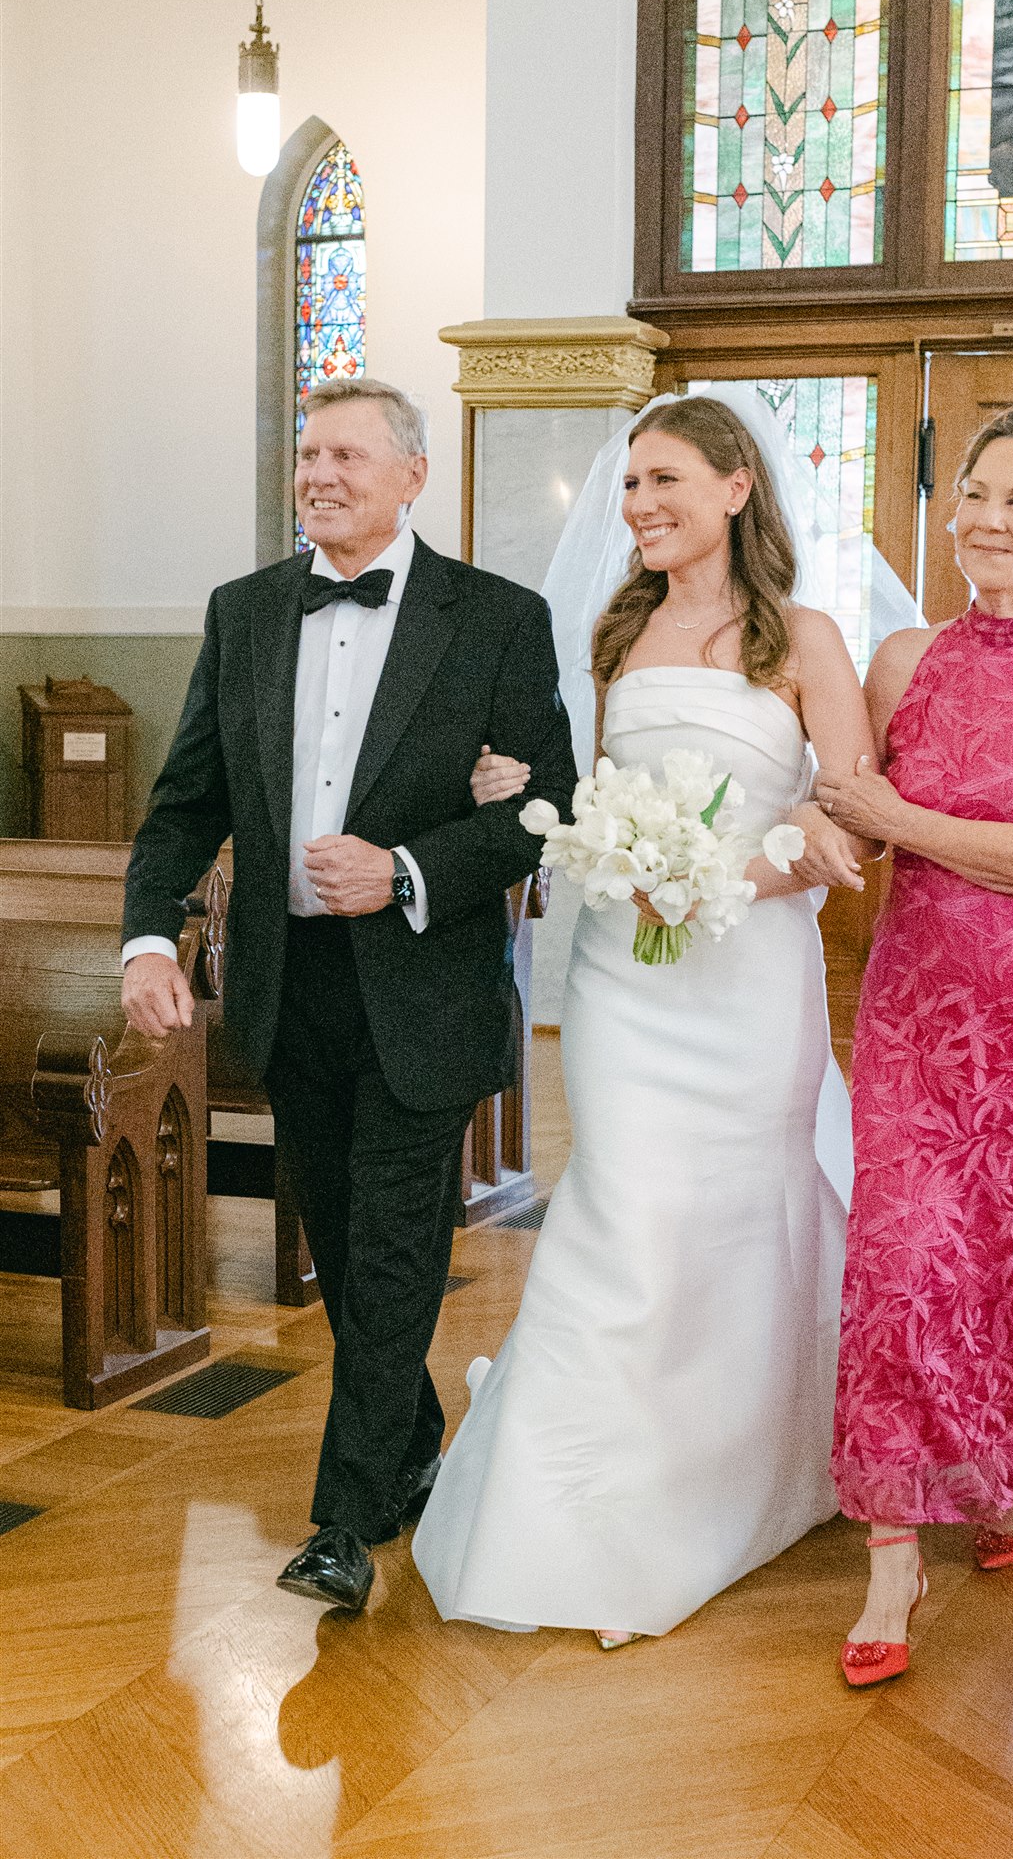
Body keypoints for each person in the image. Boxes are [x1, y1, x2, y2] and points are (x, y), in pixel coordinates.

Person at [411, 388, 917, 1646]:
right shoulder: (612, 629)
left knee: (745, 1209)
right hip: (625, 984)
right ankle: (588, 1503)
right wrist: (521, 790)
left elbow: (849, 804)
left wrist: (732, 873)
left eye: (663, 480)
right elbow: (581, 789)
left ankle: (754, 1466)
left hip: (750, 979)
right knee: (627, 1205)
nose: (637, 505)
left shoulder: (801, 637)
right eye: (629, 484)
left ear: (735, 487)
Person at [121, 376, 576, 1613]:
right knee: (340, 1237)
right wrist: (148, 942)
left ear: (413, 473)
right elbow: (185, 803)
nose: (321, 475)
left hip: (421, 987)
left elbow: (548, 812)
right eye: (309, 455)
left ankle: (345, 1519)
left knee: (391, 1243)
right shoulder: (247, 610)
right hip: (286, 988)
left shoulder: (495, 618)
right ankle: (415, 1437)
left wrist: (409, 866)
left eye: (349, 456)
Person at [816, 403, 1013, 1688]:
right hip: (913, 1007)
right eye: (971, 492)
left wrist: (898, 813)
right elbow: (846, 808)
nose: (986, 518)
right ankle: (892, 1550)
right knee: (907, 1254)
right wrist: (815, 826)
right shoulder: (901, 658)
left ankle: (1009, 1486)